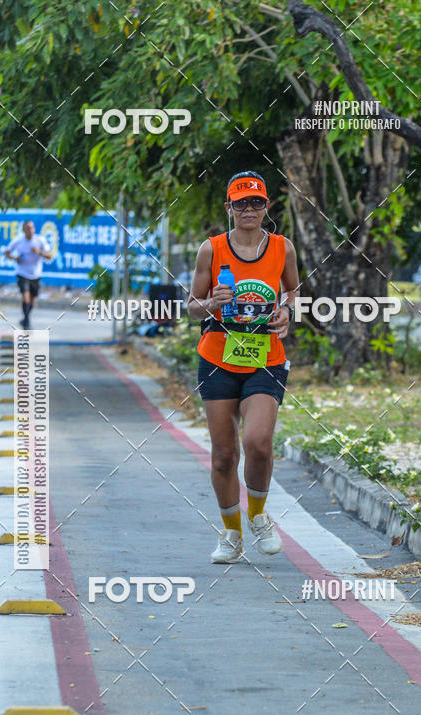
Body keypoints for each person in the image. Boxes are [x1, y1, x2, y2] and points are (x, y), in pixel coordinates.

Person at [187, 170, 299, 563]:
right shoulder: (212, 249)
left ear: (266, 206)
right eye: (241, 203)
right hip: (217, 359)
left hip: (265, 358)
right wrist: (211, 304)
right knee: (223, 454)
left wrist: (287, 311)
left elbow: (293, 291)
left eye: (256, 202)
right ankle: (231, 533)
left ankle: (258, 515)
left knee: (258, 442)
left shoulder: (283, 248)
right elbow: (191, 306)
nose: (248, 209)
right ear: (229, 207)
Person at [4, 221, 52, 328]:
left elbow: (49, 256)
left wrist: (39, 252)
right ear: (23, 230)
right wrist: (15, 258)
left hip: (35, 274)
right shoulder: (18, 241)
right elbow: (7, 253)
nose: (30, 230)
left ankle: (25, 319)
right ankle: (27, 322)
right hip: (22, 273)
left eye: (32, 228)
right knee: (25, 297)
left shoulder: (40, 240)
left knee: (32, 300)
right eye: (28, 228)